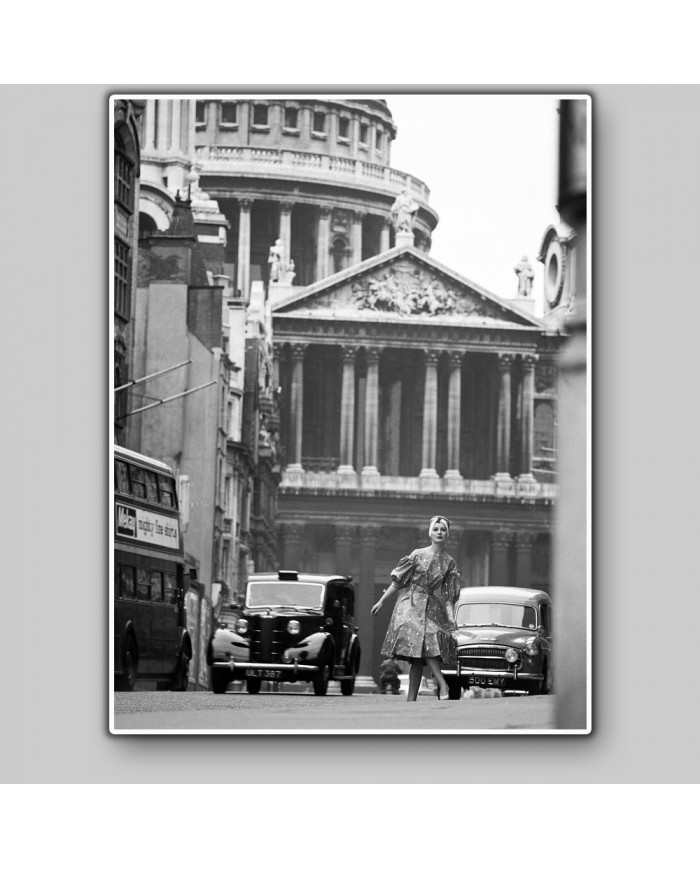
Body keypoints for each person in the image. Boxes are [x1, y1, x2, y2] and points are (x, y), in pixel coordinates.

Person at [371, 515, 460, 701]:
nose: (439, 533)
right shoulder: (417, 554)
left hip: (430, 605)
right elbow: (397, 582)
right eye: (435, 529)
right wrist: (381, 601)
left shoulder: (449, 562)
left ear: (447, 534)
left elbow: (448, 597)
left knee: (420, 655)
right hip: (410, 604)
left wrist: (452, 618)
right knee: (426, 639)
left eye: (443, 530)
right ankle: (442, 683)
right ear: (430, 533)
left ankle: (411, 700)